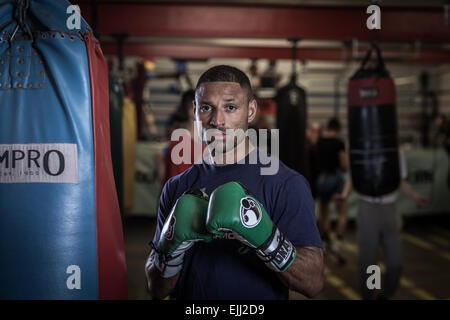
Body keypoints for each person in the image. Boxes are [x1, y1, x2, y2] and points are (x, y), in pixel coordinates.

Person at [145, 65, 324, 300]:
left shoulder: (286, 184)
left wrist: (267, 241)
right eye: (207, 107)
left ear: (250, 111)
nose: (217, 120)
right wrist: (171, 251)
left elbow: (313, 283)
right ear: (195, 111)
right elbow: (156, 288)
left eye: (230, 107)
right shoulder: (176, 187)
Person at [337, 150, 429, 300]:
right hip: (369, 207)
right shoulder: (363, 147)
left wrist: (415, 196)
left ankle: (385, 295)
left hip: (390, 209)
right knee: (370, 262)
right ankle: (369, 295)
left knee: (395, 263)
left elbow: (399, 181)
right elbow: (354, 179)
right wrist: (344, 195)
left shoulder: (396, 152)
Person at [315, 117, 348, 263]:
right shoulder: (339, 143)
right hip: (335, 178)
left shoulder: (320, 141)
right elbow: (344, 165)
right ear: (338, 129)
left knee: (324, 212)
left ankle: (326, 243)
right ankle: (339, 242)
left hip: (321, 179)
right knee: (342, 212)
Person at [162, 89, 205, 186]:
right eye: (206, 108)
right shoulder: (181, 145)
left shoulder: (204, 142)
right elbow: (178, 187)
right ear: (193, 111)